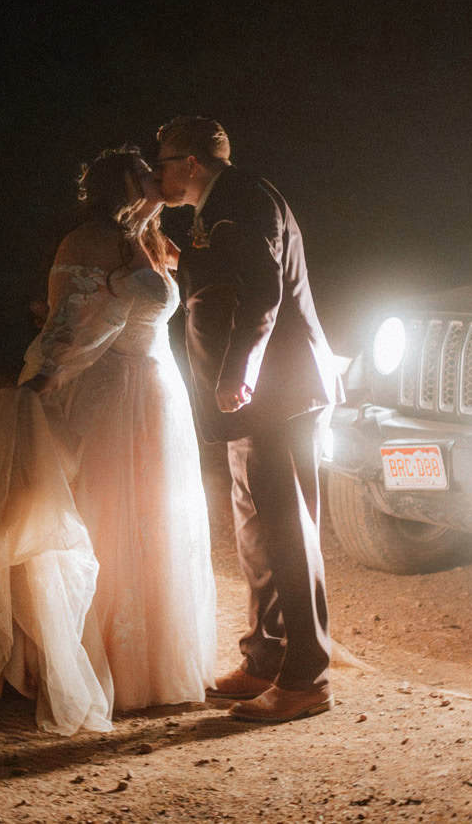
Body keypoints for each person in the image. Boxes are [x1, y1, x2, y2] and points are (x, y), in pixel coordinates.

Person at [0, 147, 217, 734]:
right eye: (148, 174)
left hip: (160, 394)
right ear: (125, 184)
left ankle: (154, 662)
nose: (159, 180)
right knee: (110, 516)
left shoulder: (151, 237)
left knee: (158, 520)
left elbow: (187, 282)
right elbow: (68, 318)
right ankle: (97, 658)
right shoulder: (87, 241)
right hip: (114, 396)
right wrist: (41, 380)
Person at [154, 116, 342, 723]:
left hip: (277, 391)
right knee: (257, 528)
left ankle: (306, 678)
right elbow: (227, 275)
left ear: (189, 163)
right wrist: (178, 257)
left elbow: (263, 290)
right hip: (261, 395)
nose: (159, 173)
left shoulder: (237, 200)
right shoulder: (233, 201)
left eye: (163, 162)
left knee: (286, 528)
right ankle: (264, 657)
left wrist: (239, 370)